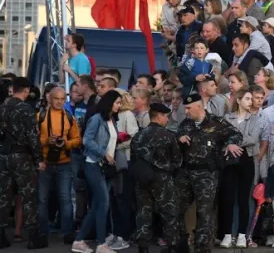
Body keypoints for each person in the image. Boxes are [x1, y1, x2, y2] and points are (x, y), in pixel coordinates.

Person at [175, 93, 243, 253]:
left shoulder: (217, 122)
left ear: (199, 106)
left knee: (204, 212)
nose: (186, 112)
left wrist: (231, 144)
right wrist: (180, 138)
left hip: (207, 174)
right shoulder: (185, 124)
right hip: (186, 172)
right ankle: (181, 243)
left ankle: (202, 247)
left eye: (189, 108)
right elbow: (176, 138)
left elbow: (236, 134)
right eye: (185, 108)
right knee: (176, 208)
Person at [70, 89, 122, 253]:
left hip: (105, 168)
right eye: (117, 102)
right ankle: (101, 244)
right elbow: (87, 140)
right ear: (110, 102)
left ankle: (79, 241)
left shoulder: (111, 120)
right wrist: (103, 153)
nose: (119, 106)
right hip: (93, 164)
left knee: (97, 206)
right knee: (103, 203)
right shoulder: (97, 119)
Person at [129, 102, 182, 253]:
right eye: (166, 116)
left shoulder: (139, 136)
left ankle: (143, 247)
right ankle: (172, 246)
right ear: (159, 116)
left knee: (144, 212)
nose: (167, 120)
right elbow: (177, 161)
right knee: (169, 213)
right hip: (163, 179)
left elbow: (133, 158)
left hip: (142, 179)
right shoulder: (168, 136)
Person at [0, 78, 45, 249]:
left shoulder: (2, 107)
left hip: (3, 156)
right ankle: (33, 236)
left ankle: (1, 235)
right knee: (28, 197)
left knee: (3, 196)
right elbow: (33, 137)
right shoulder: (26, 109)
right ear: (26, 90)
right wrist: (38, 159)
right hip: (22, 157)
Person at [36, 84, 81, 244]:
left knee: (65, 198)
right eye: (56, 98)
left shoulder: (69, 117)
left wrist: (65, 144)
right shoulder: (40, 116)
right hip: (45, 163)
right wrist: (46, 141)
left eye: (63, 99)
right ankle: (42, 233)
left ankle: (67, 233)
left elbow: (77, 139)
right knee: (42, 199)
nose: (59, 102)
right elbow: (32, 140)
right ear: (49, 98)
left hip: (64, 163)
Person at [219, 89, 264, 248]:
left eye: (251, 99)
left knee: (244, 199)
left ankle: (242, 234)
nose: (250, 101)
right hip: (230, 161)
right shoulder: (227, 118)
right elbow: (221, 136)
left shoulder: (255, 119)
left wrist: (232, 142)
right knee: (228, 198)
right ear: (238, 100)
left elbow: (253, 138)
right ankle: (227, 234)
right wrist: (228, 143)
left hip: (247, 159)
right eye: (247, 98)